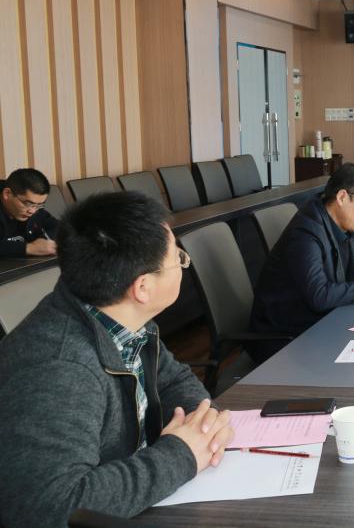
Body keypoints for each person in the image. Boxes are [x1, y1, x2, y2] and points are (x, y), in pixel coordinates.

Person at [0, 191, 233, 527]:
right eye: (179, 258)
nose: (184, 264)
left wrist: (204, 426)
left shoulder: (119, 315)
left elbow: (174, 379)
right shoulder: (59, 369)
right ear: (142, 288)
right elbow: (54, 508)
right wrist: (181, 454)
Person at [251, 164, 354, 342]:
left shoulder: (344, 223)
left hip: (323, 324)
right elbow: (320, 296)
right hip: (286, 337)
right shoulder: (305, 233)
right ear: (342, 197)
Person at [0, 167, 59, 257]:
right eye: (28, 204)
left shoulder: (35, 208)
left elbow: (58, 227)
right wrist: (29, 248)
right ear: (7, 194)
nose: (32, 211)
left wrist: (45, 242)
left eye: (39, 205)